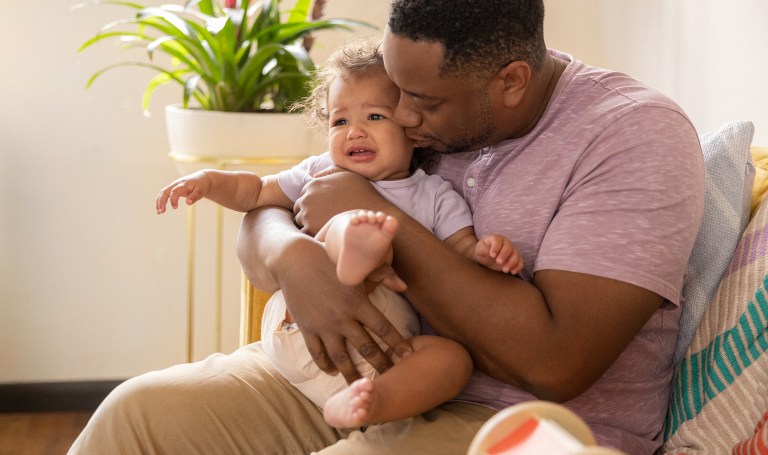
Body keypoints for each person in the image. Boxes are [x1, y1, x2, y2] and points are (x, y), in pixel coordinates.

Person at [70, 1, 705, 454]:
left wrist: (388, 225)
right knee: (138, 415)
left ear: (510, 82)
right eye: (395, 91)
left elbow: (557, 362)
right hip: (348, 376)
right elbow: (280, 203)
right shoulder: (428, 98)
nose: (400, 115)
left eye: (421, 103)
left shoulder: (630, 135)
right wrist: (292, 255)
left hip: (523, 423)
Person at [152, 39, 522, 429]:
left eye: (375, 117)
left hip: (380, 351)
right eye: (339, 121)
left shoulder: (435, 196)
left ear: (413, 127)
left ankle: (372, 403)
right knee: (349, 221)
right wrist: (209, 182)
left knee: (451, 361)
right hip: (302, 319)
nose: (354, 133)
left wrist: (490, 252)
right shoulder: (320, 170)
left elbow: (463, 253)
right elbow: (256, 192)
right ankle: (356, 252)